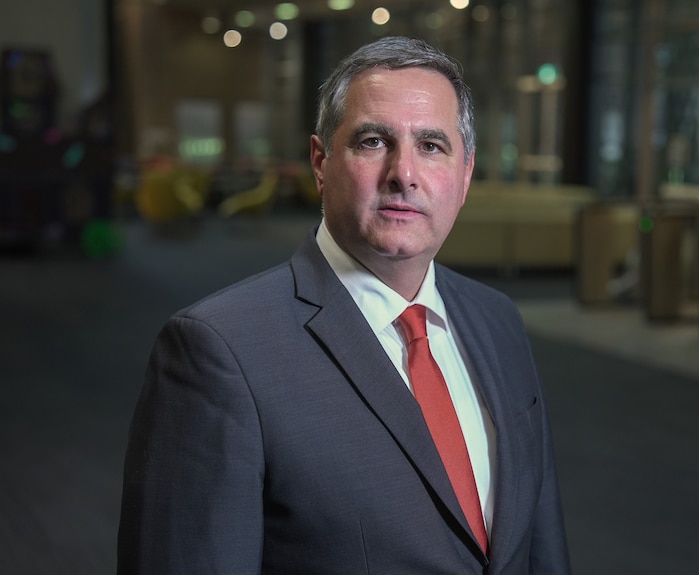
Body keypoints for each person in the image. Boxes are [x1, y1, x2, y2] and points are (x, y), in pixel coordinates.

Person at [117, 36, 572, 574]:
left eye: (431, 145)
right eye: (374, 141)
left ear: (465, 174)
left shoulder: (497, 320)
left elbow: (540, 548)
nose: (404, 173)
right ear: (320, 161)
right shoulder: (219, 352)